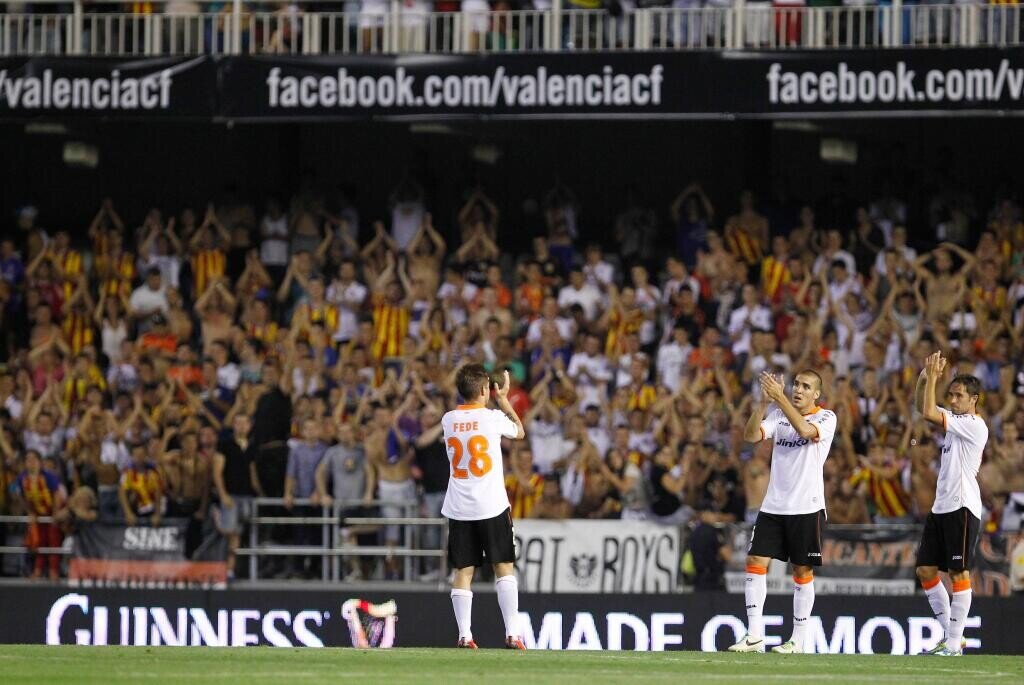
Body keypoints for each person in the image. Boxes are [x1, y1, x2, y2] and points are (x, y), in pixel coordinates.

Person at [729, 370, 837, 654]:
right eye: (797, 385)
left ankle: (798, 640)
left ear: (817, 395)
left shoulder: (826, 418)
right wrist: (764, 404)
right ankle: (754, 635)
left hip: (807, 507)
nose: (798, 390)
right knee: (755, 560)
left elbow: (804, 431)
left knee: (801, 569)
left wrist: (779, 399)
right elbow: (751, 436)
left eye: (806, 387)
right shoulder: (777, 415)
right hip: (774, 505)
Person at [442, 365, 526, 650]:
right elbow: (519, 432)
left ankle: (465, 635)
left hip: (459, 506)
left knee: (463, 571)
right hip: (491, 504)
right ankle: (512, 634)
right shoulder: (491, 419)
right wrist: (503, 400)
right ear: (484, 390)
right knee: (504, 568)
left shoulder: (448, 419)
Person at [913, 353, 988, 656]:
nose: (954, 400)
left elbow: (929, 411)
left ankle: (954, 644)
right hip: (941, 507)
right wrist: (922, 379)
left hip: (962, 506)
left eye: (959, 395)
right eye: (952, 395)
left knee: (959, 574)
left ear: (974, 400)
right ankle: (951, 635)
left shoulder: (974, 425)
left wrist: (932, 377)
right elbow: (924, 407)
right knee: (926, 571)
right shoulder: (957, 423)